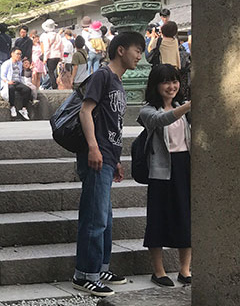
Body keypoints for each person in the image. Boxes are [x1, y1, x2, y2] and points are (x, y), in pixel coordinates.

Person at [71, 32, 145, 297]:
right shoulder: (102, 76)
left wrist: (116, 160)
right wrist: (93, 147)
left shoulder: (117, 81)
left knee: (105, 218)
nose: (140, 56)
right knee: (95, 217)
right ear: (121, 50)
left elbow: (113, 125)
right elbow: (85, 111)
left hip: (107, 157)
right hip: (96, 155)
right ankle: (84, 274)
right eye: (137, 50)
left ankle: (100, 268)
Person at [138, 64, 192, 287]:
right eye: (166, 82)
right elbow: (162, 120)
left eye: (175, 81)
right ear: (156, 85)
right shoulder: (148, 111)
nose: (172, 86)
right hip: (160, 169)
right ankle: (158, 271)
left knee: (186, 217)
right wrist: (187, 107)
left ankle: (185, 269)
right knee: (157, 219)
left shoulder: (183, 107)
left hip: (184, 165)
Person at [0, 48, 32, 120]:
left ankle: (24, 108)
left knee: (27, 90)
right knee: (11, 88)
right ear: (12, 54)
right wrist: (7, 81)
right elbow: (2, 75)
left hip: (17, 82)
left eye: (20, 54)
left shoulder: (19, 63)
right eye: (17, 54)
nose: (19, 56)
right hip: (9, 82)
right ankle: (12, 106)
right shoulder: (6, 63)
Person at [40, 19, 63, 89]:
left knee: (50, 72)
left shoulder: (46, 36)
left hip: (50, 56)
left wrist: (45, 58)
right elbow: (61, 47)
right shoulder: (58, 35)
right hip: (57, 55)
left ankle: (53, 85)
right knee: (54, 71)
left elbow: (46, 48)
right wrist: (61, 57)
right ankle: (53, 86)